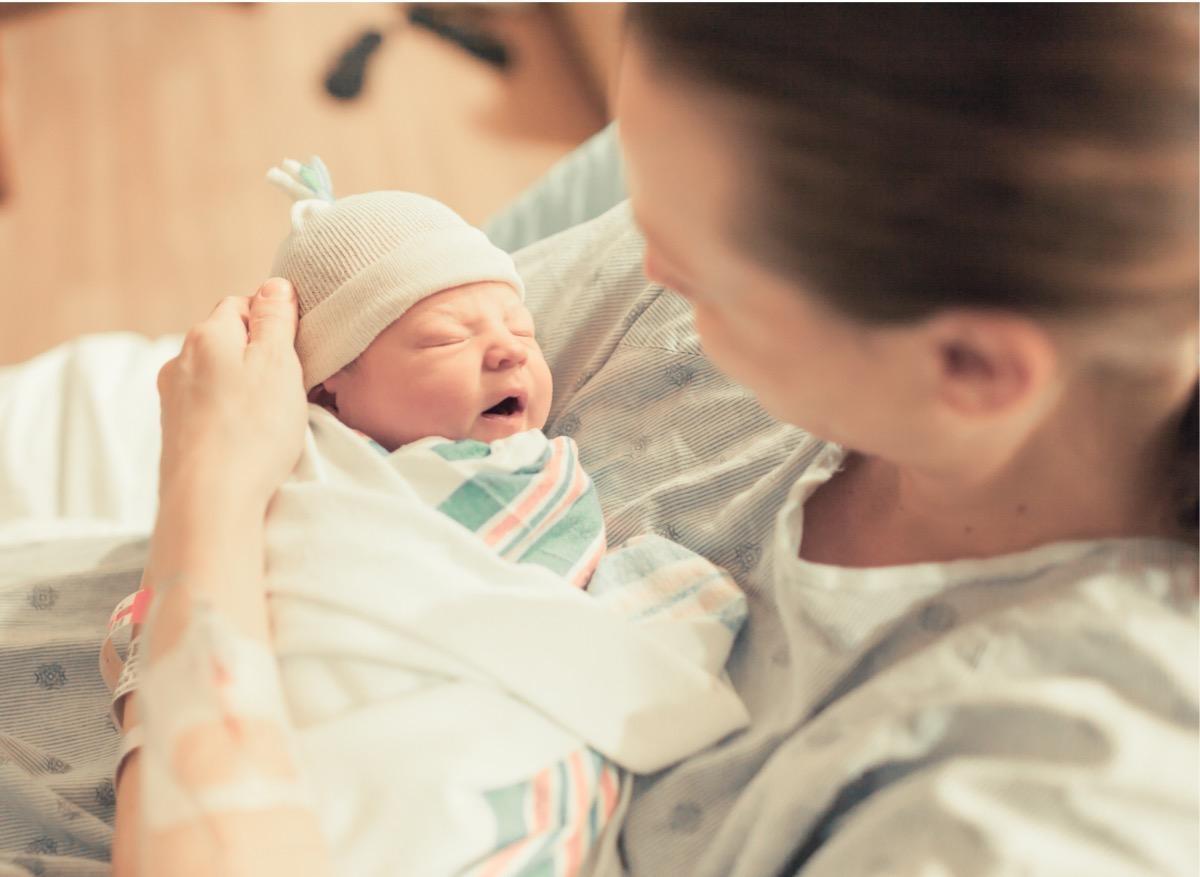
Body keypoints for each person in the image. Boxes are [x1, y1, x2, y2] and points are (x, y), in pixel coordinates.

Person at [114, 5, 1198, 876]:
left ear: (969, 369)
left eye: (695, 264)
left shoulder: (1023, 795)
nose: (646, 264)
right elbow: (357, 387)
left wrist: (206, 493)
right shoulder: (743, 240)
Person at [104, 157, 748, 876]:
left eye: (523, 329)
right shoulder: (312, 474)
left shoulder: (528, 476)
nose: (508, 347)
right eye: (446, 338)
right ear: (329, 394)